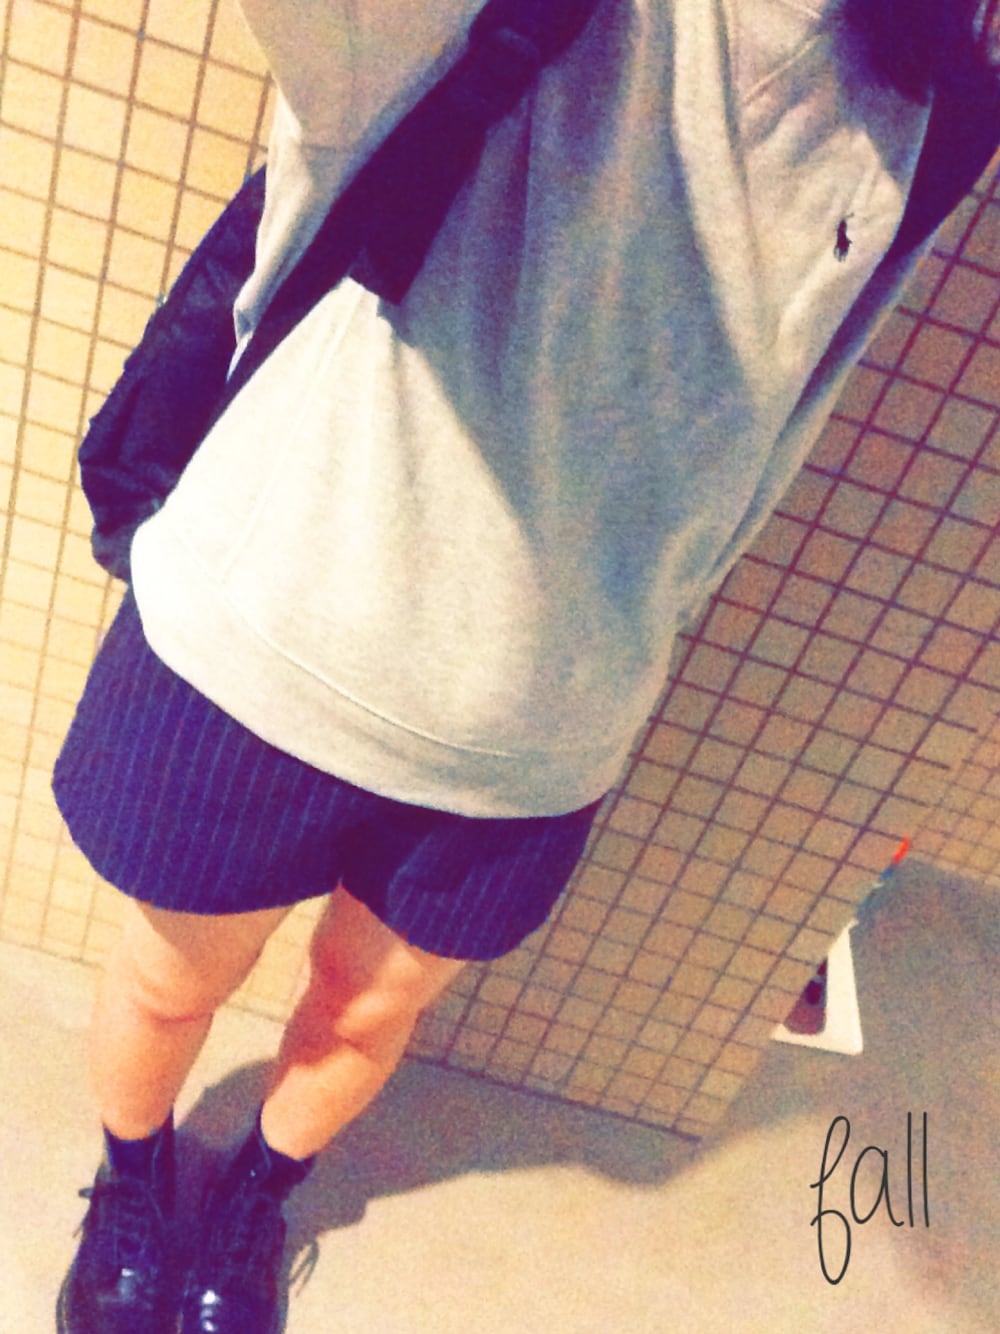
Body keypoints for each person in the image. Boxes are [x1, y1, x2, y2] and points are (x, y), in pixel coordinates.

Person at [51, 2, 999, 1332]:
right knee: (167, 983)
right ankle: (131, 1187)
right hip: (268, 637)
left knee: (362, 1013)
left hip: (544, 716)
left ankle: (254, 1194)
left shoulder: (937, 83)